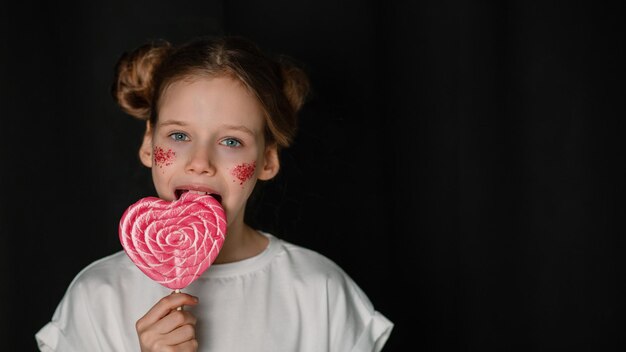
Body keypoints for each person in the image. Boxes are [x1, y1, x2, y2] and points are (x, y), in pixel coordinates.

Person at [35, 35, 393, 351]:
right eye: (179, 136)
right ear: (148, 143)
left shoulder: (320, 291)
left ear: (266, 160)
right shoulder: (97, 296)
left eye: (231, 141)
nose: (200, 162)